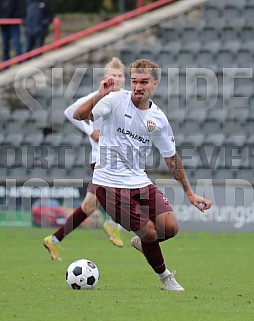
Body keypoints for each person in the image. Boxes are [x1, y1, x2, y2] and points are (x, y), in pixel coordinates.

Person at [72, 59, 212, 291]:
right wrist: (100, 93)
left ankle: (143, 243)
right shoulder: (114, 100)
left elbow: (171, 158)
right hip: (108, 184)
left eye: (144, 82)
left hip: (139, 181)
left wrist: (190, 192)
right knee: (149, 231)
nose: (138, 86)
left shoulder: (157, 118)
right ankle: (166, 277)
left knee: (170, 228)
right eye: (135, 81)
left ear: (154, 83)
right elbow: (80, 115)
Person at [43, 57, 126, 261]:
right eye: (113, 75)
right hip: (102, 161)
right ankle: (114, 223)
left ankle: (53, 240)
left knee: (88, 207)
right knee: (128, 191)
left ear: (125, 78)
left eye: (120, 75)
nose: (116, 78)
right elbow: (69, 112)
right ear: (106, 77)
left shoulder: (126, 98)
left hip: (119, 160)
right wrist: (90, 131)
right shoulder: (98, 96)